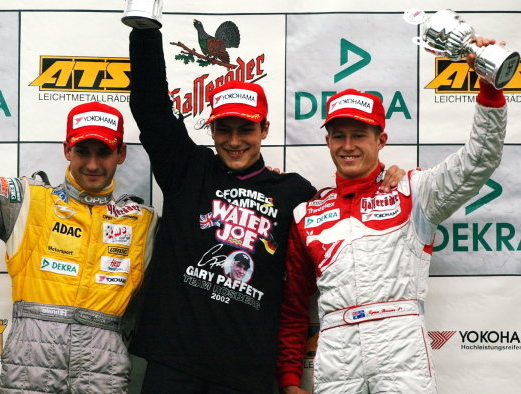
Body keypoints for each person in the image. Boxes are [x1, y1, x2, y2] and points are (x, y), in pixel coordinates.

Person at [127, 26, 404, 393]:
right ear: (210, 131)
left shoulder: (294, 193)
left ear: (265, 128)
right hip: (175, 363)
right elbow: (150, 108)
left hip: (246, 372)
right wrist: (145, 32)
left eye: (246, 129)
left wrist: (386, 178)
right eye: (223, 129)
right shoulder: (188, 168)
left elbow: (343, 227)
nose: (234, 141)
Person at [276, 38, 507, 394]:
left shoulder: (413, 190)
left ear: (380, 139)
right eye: (339, 136)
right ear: (328, 142)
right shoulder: (308, 213)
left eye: (359, 135)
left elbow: (478, 162)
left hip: (402, 354)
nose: (348, 146)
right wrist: (290, 379)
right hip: (336, 356)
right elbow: (293, 305)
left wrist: (490, 90)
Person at [0, 101, 157, 393]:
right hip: (28, 366)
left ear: (120, 153)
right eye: (83, 151)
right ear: (67, 150)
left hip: (103, 371)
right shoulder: (29, 201)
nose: (93, 164)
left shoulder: (143, 223)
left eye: (104, 152)